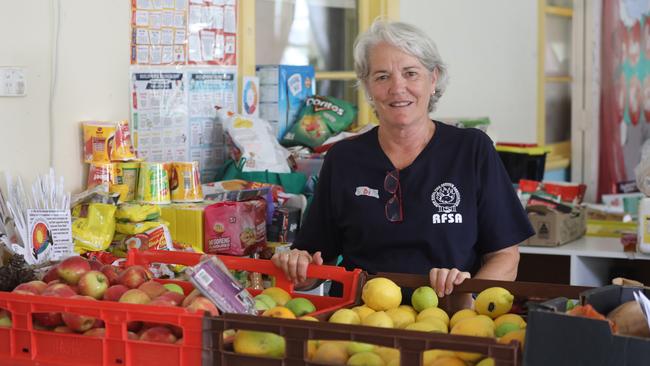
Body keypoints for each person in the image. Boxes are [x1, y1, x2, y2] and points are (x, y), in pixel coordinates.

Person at [271, 20, 534, 305]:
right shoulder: (343, 159)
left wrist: (470, 296)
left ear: (433, 80)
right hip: (360, 321)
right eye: (382, 76)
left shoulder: (471, 150)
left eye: (411, 73)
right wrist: (298, 264)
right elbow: (314, 268)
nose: (398, 88)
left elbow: (505, 256)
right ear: (368, 87)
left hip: (451, 321)